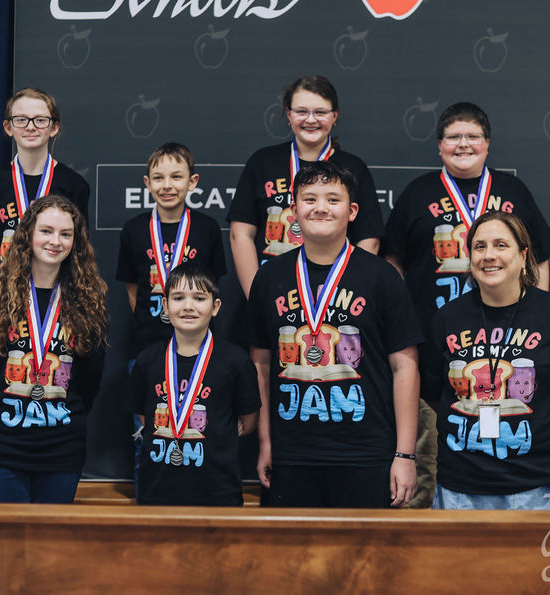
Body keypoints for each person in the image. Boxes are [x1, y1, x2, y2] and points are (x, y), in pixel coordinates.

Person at [384, 101, 550, 507]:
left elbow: (540, 257)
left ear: (487, 144)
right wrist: (402, 318)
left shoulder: (512, 192)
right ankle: (422, 547)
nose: (463, 144)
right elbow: (392, 260)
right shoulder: (418, 193)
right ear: (440, 146)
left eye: (472, 137)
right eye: (453, 137)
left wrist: (538, 313)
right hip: (435, 345)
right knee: (427, 447)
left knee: (498, 445)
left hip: (505, 344)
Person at [248, 161, 421, 508]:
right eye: (309, 199)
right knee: (290, 561)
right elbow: (261, 366)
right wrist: (266, 443)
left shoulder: (382, 277)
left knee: (364, 561)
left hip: (367, 453)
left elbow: (406, 367)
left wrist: (405, 454)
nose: (321, 207)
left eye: (333, 199)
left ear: (352, 210)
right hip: (292, 454)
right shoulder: (270, 277)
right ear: (294, 210)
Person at [426, 211, 550, 510]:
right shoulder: (447, 318)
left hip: (542, 486)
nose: (489, 255)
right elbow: (436, 395)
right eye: (480, 247)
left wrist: (548, 434)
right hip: (462, 488)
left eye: (500, 245)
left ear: (523, 256)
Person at [0, 194, 108, 503]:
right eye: (46, 231)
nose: (55, 241)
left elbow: (90, 379)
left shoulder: (88, 303)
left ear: (76, 242)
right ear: (28, 234)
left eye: (65, 234)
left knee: (50, 549)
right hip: (1, 447)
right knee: (3, 547)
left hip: (60, 451)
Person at [228, 74, 384, 301]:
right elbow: (240, 233)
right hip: (272, 288)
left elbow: (369, 238)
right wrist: (256, 295)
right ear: (289, 114)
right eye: (302, 111)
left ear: (335, 116)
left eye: (320, 112)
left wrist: (347, 290)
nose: (311, 120)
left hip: (336, 293)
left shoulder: (353, 168)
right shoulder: (263, 162)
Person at [130, 261, 260, 506]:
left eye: (199, 298)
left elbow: (248, 421)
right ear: (165, 306)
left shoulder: (236, 361)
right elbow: (144, 416)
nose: (188, 306)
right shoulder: (147, 360)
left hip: (217, 493)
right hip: (158, 492)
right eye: (178, 298)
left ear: (215, 307)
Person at [116, 143, 227, 363]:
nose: (167, 186)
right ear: (148, 183)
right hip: (146, 342)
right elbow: (133, 289)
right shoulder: (134, 229)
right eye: (158, 178)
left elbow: (213, 283)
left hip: (197, 340)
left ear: (192, 182)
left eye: (176, 177)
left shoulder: (207, 228)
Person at [0, 87, 90, 271]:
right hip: (6, 290)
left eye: (40, 120)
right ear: (8, 127)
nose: (30, 126)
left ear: (54, 128)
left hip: (56, 291)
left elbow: (78, 244)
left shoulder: (75, 185)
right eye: (21, 120)